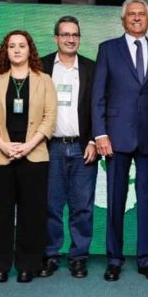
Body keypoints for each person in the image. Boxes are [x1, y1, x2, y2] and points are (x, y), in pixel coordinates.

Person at [91, 0, 148, 282]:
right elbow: (98, 95)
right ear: (123, 19)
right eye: (131, 14)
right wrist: (100, 133)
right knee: (115, 200)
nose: (137, 18)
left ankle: (146, 259)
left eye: (141, 14)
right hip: (115, 138)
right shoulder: (107, 49)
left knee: (147, 200)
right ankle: (114, 259)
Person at [0, 30, 56, 283]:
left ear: (29, 50)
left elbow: (49, 119)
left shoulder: (44, 79)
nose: (16, 50)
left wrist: (27, 146)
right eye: (11, 46)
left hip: (34, 155)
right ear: (5, 50)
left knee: (31, 214)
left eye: (21, 45)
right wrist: (3, 145)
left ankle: (28, 265)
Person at [39, 16, 97, 279]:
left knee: (82, 207)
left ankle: (78, 257)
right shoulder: (40, 67)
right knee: (50, 205)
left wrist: (95, 140)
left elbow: (100, 109)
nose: (70, 39)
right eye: (65, 34)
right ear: (56, 38)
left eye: (75, 34)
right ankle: (50, 255)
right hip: (50, 147)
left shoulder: (91, 68)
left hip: (83, 146)